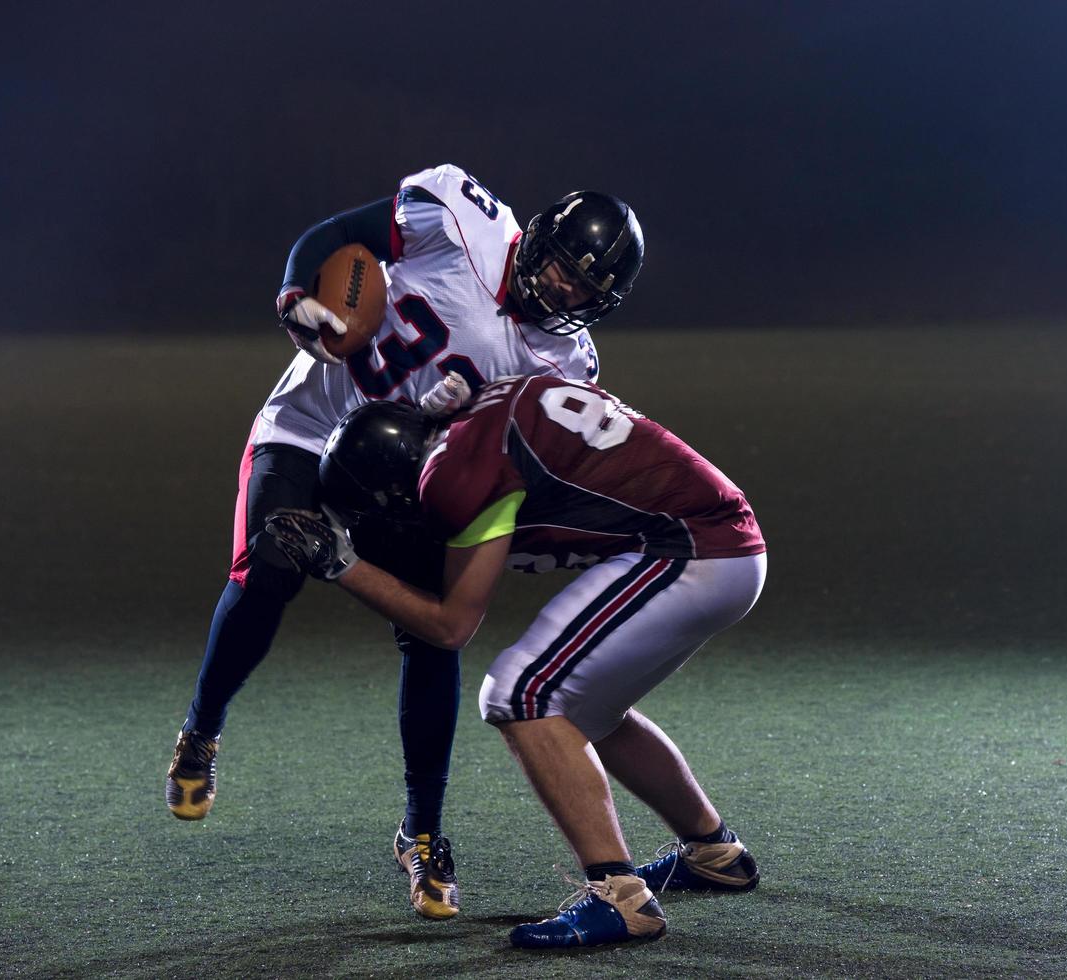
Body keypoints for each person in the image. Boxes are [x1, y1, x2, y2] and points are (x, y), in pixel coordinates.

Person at [165, 163, 645, 923]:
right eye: (559, 273)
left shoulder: (565, 363)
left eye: (583, 294)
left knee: (432, 634)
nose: (562, 295)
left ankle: (422, 831)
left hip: (403, 469)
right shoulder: (463, 219)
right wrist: (298, 295)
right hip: (310, 423)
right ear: (537, 241)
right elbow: (335, 238)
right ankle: (202, 730)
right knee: (269, 573)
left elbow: (516, 464)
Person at [262, 374, 767, 948]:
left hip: (694, 552)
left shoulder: (451, 476)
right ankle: (714, 853)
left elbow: (451, 626)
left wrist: (341, 566)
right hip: (716, 540)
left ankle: (620, 900)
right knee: (587, 711)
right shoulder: (478, 405)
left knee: (519, 693)